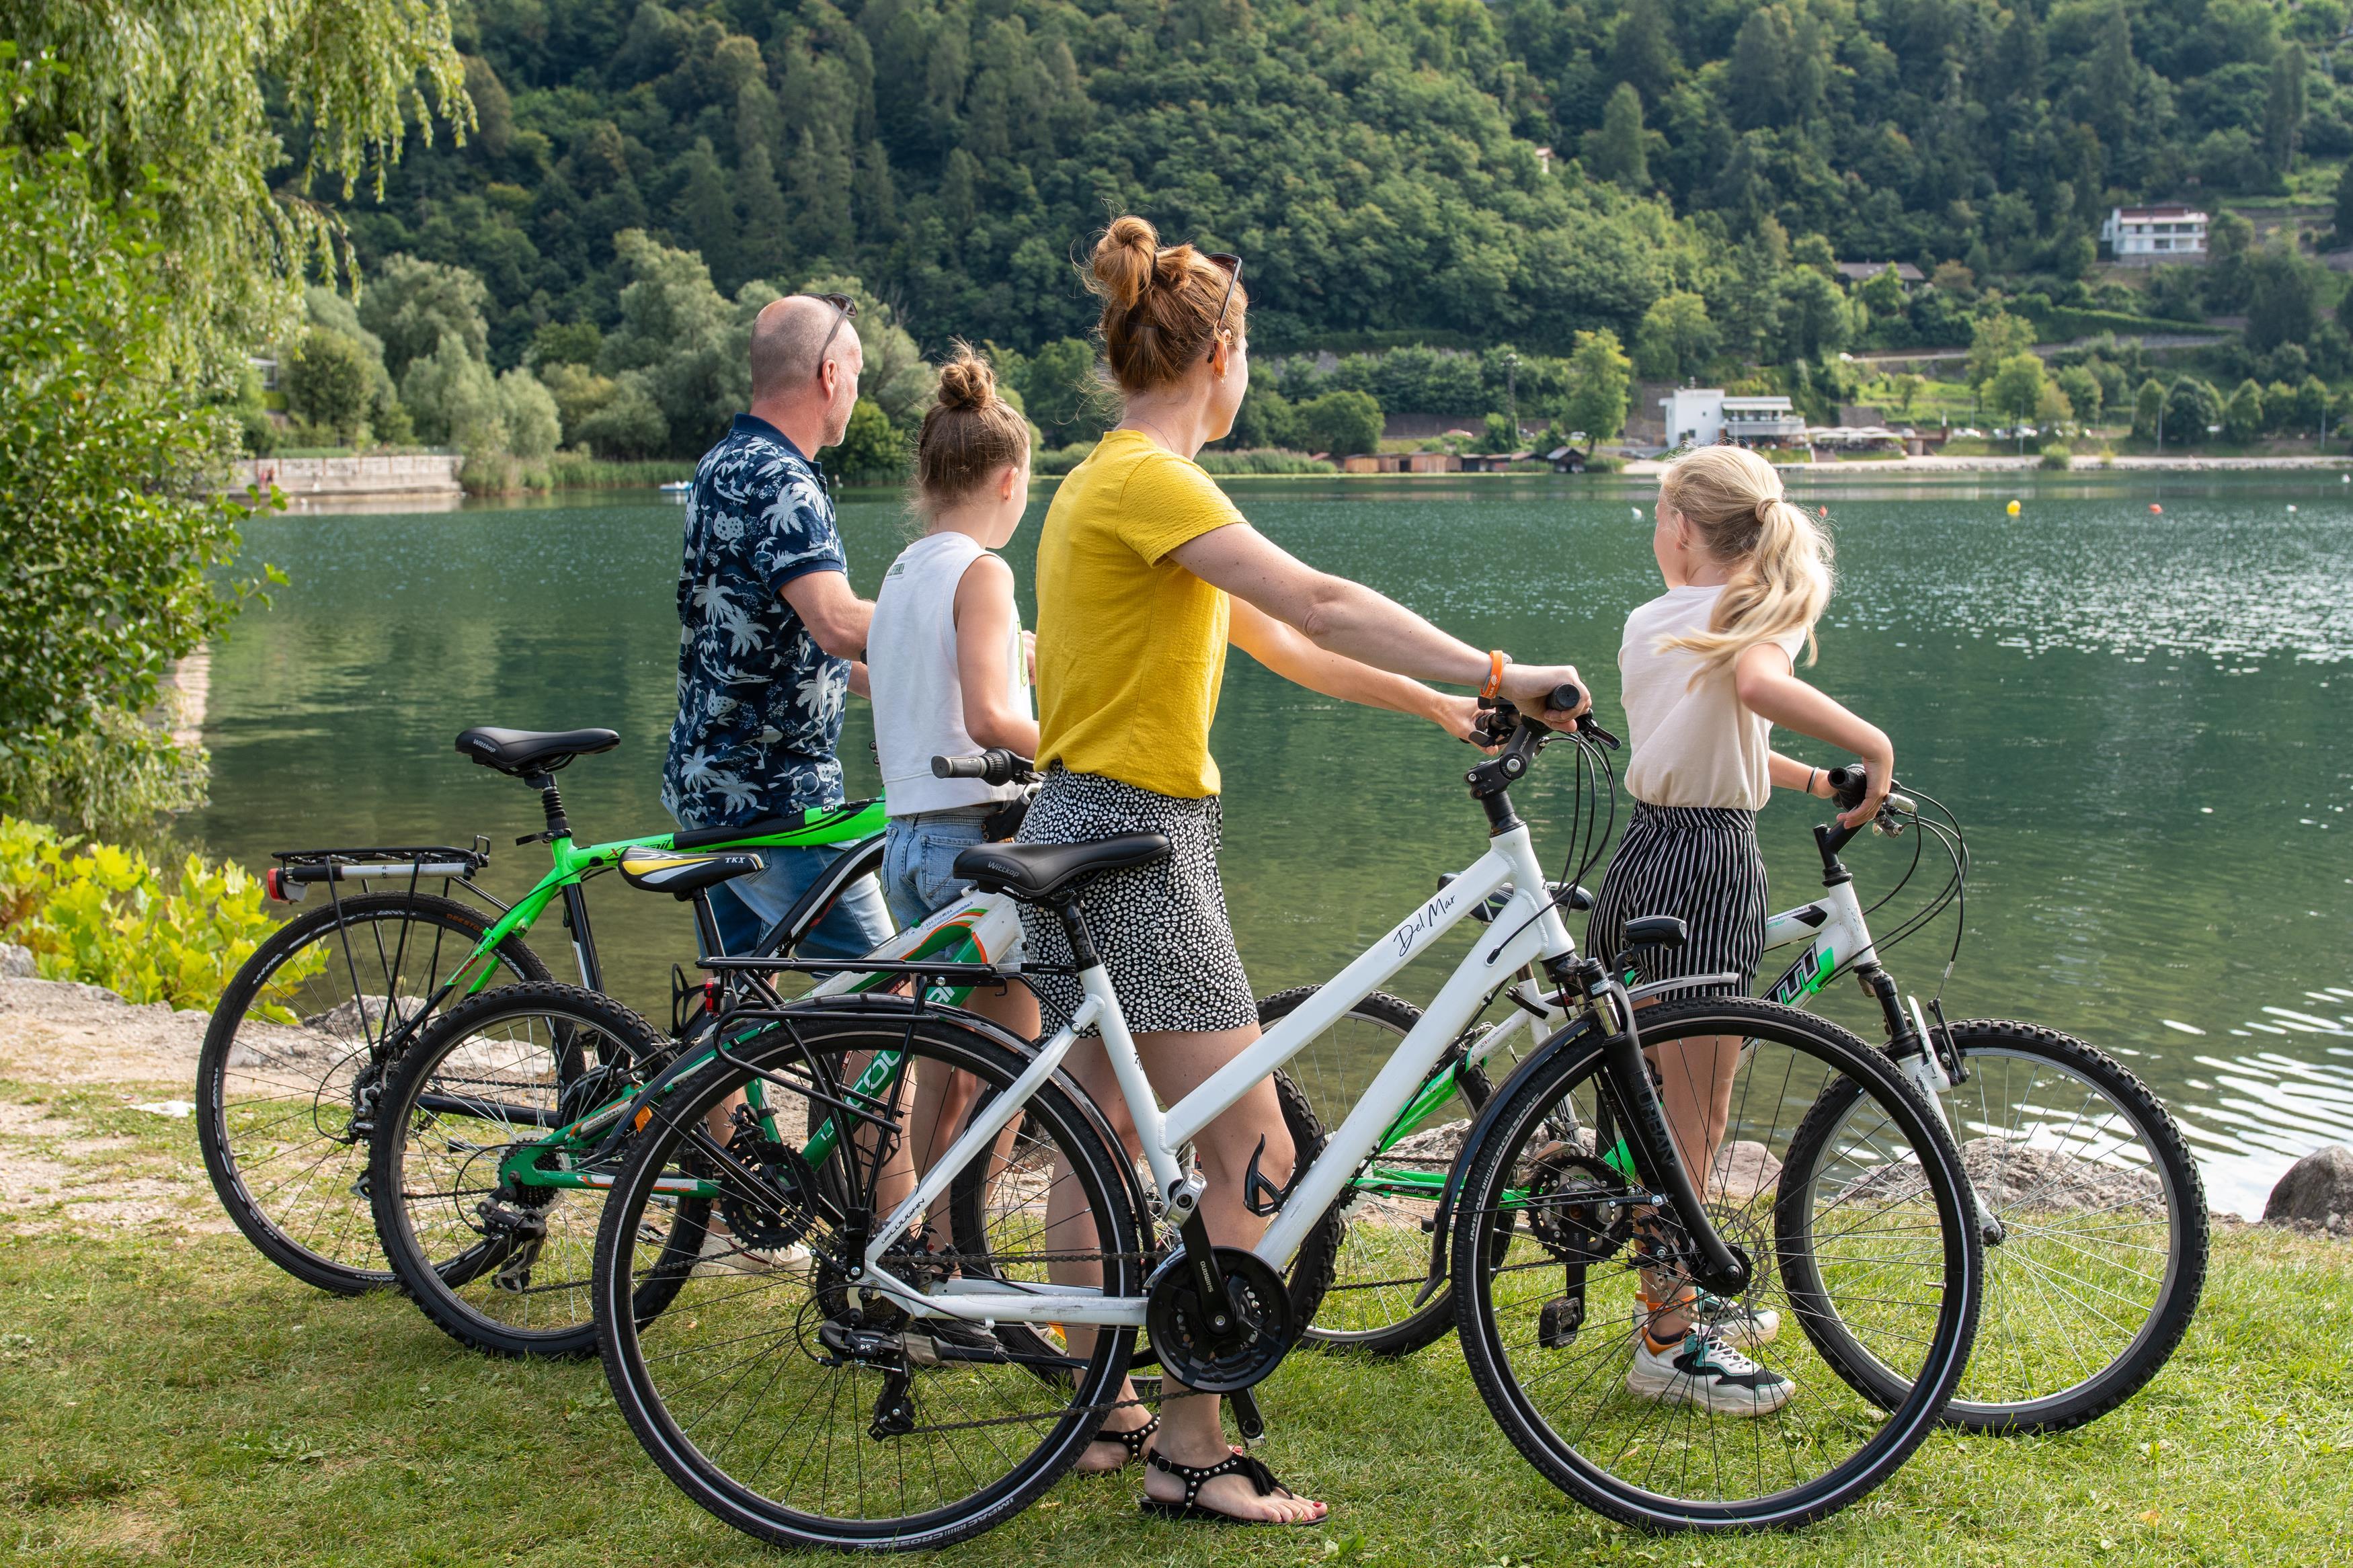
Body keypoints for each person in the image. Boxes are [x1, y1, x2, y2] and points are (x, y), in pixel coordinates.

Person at [1020, 214, 1587, 1524]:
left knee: (1099, 1130)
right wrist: (1498, 671)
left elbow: (1285, 637)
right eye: (1250, 348)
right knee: (1254, 1146)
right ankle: (1190, 1440)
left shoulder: (1108, 484)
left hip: (1083, 823)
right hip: (1137, 841)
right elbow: (1321, 597)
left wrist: (1434, 706)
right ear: (1220, 352)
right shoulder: (1152, 482)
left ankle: (1097, 1404)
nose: (1248, 369)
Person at [1591, 442, 1892, 1418]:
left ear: (1682, 526)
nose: (1652, 531)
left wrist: (1816, 780)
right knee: (1693, 1119)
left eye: (1654, 516)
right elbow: (1758, 693)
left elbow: (1717, 729)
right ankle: (1669, 1347)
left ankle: (1671, 1310)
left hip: (1646, 852)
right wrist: (1872, 746)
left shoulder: (1656, 619)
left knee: (1661, 1108)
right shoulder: (1750, 614)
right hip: (1710, 859)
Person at [865, 344, 1041, 1220]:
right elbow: (989, 720)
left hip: (905, 843)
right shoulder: (985, 571)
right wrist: (1078, 745)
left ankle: (912, 1246)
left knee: (947, 1059)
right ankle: (950, 1251)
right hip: (969, 841)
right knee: (1012, 1055)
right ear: (1009, 481)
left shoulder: (903, 573)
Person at [662, 291, 892, 960]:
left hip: (712, 780)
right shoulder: (783, 480)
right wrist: (970, 638)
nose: (855, 390)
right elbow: (835, 623)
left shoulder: (722, 464)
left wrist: (910, 684)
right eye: (854, 373)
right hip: (775, 802)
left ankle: (685, 1070)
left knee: (738, 1006)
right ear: (828, 376)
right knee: (893, 990)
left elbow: (775, 642)